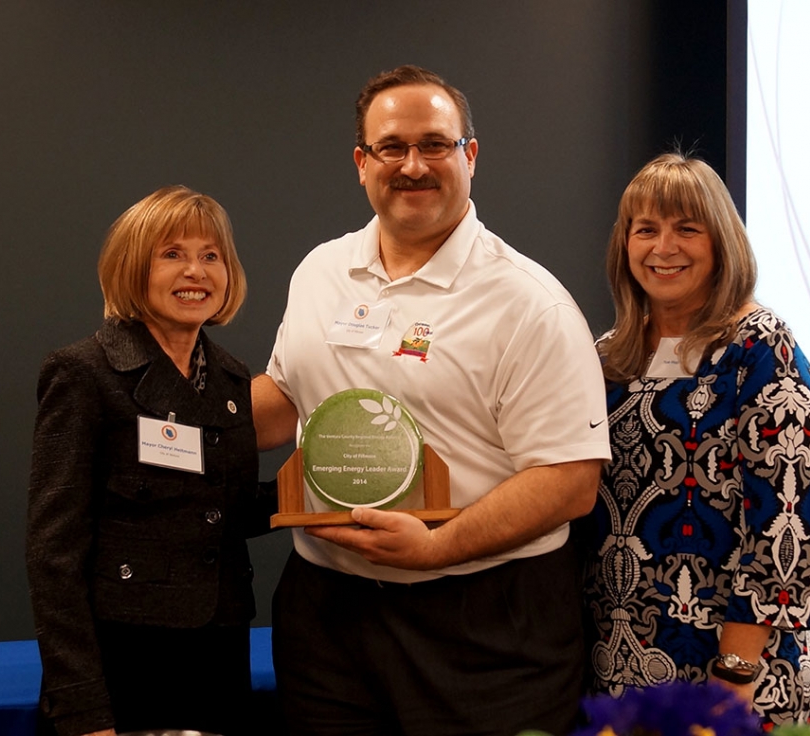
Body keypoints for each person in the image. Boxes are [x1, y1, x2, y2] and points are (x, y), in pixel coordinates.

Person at [251, 64, 611, 736]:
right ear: (361, 163)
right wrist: (164, 417)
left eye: (435, 144)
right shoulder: (320, 271)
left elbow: (568, 483)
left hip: (486, 628)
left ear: (470, 156)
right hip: (327, 619)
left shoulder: (530, 303)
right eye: (391, 147)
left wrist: (435, 550)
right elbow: (285, 400)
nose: (412, 165)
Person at [26, 185, 287, 736]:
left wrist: (320, 484)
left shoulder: (233, 379)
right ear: (131, 269)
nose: (195, 272)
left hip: (219, 656)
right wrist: (82, 710)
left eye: (210, 256)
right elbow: (54, 554)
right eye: (172, 255)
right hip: (124, 663)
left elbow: (229, 510)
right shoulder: (83, 374)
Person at [575, 153, 810, 729]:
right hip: (620, 665)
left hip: (738, 675)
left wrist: (735, 674)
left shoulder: (761, 350)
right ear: (625, 244)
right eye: (646, 229)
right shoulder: (608, 356)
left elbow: (782, 529)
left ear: (722, 244)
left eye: (687, 228)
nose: (664, 247)